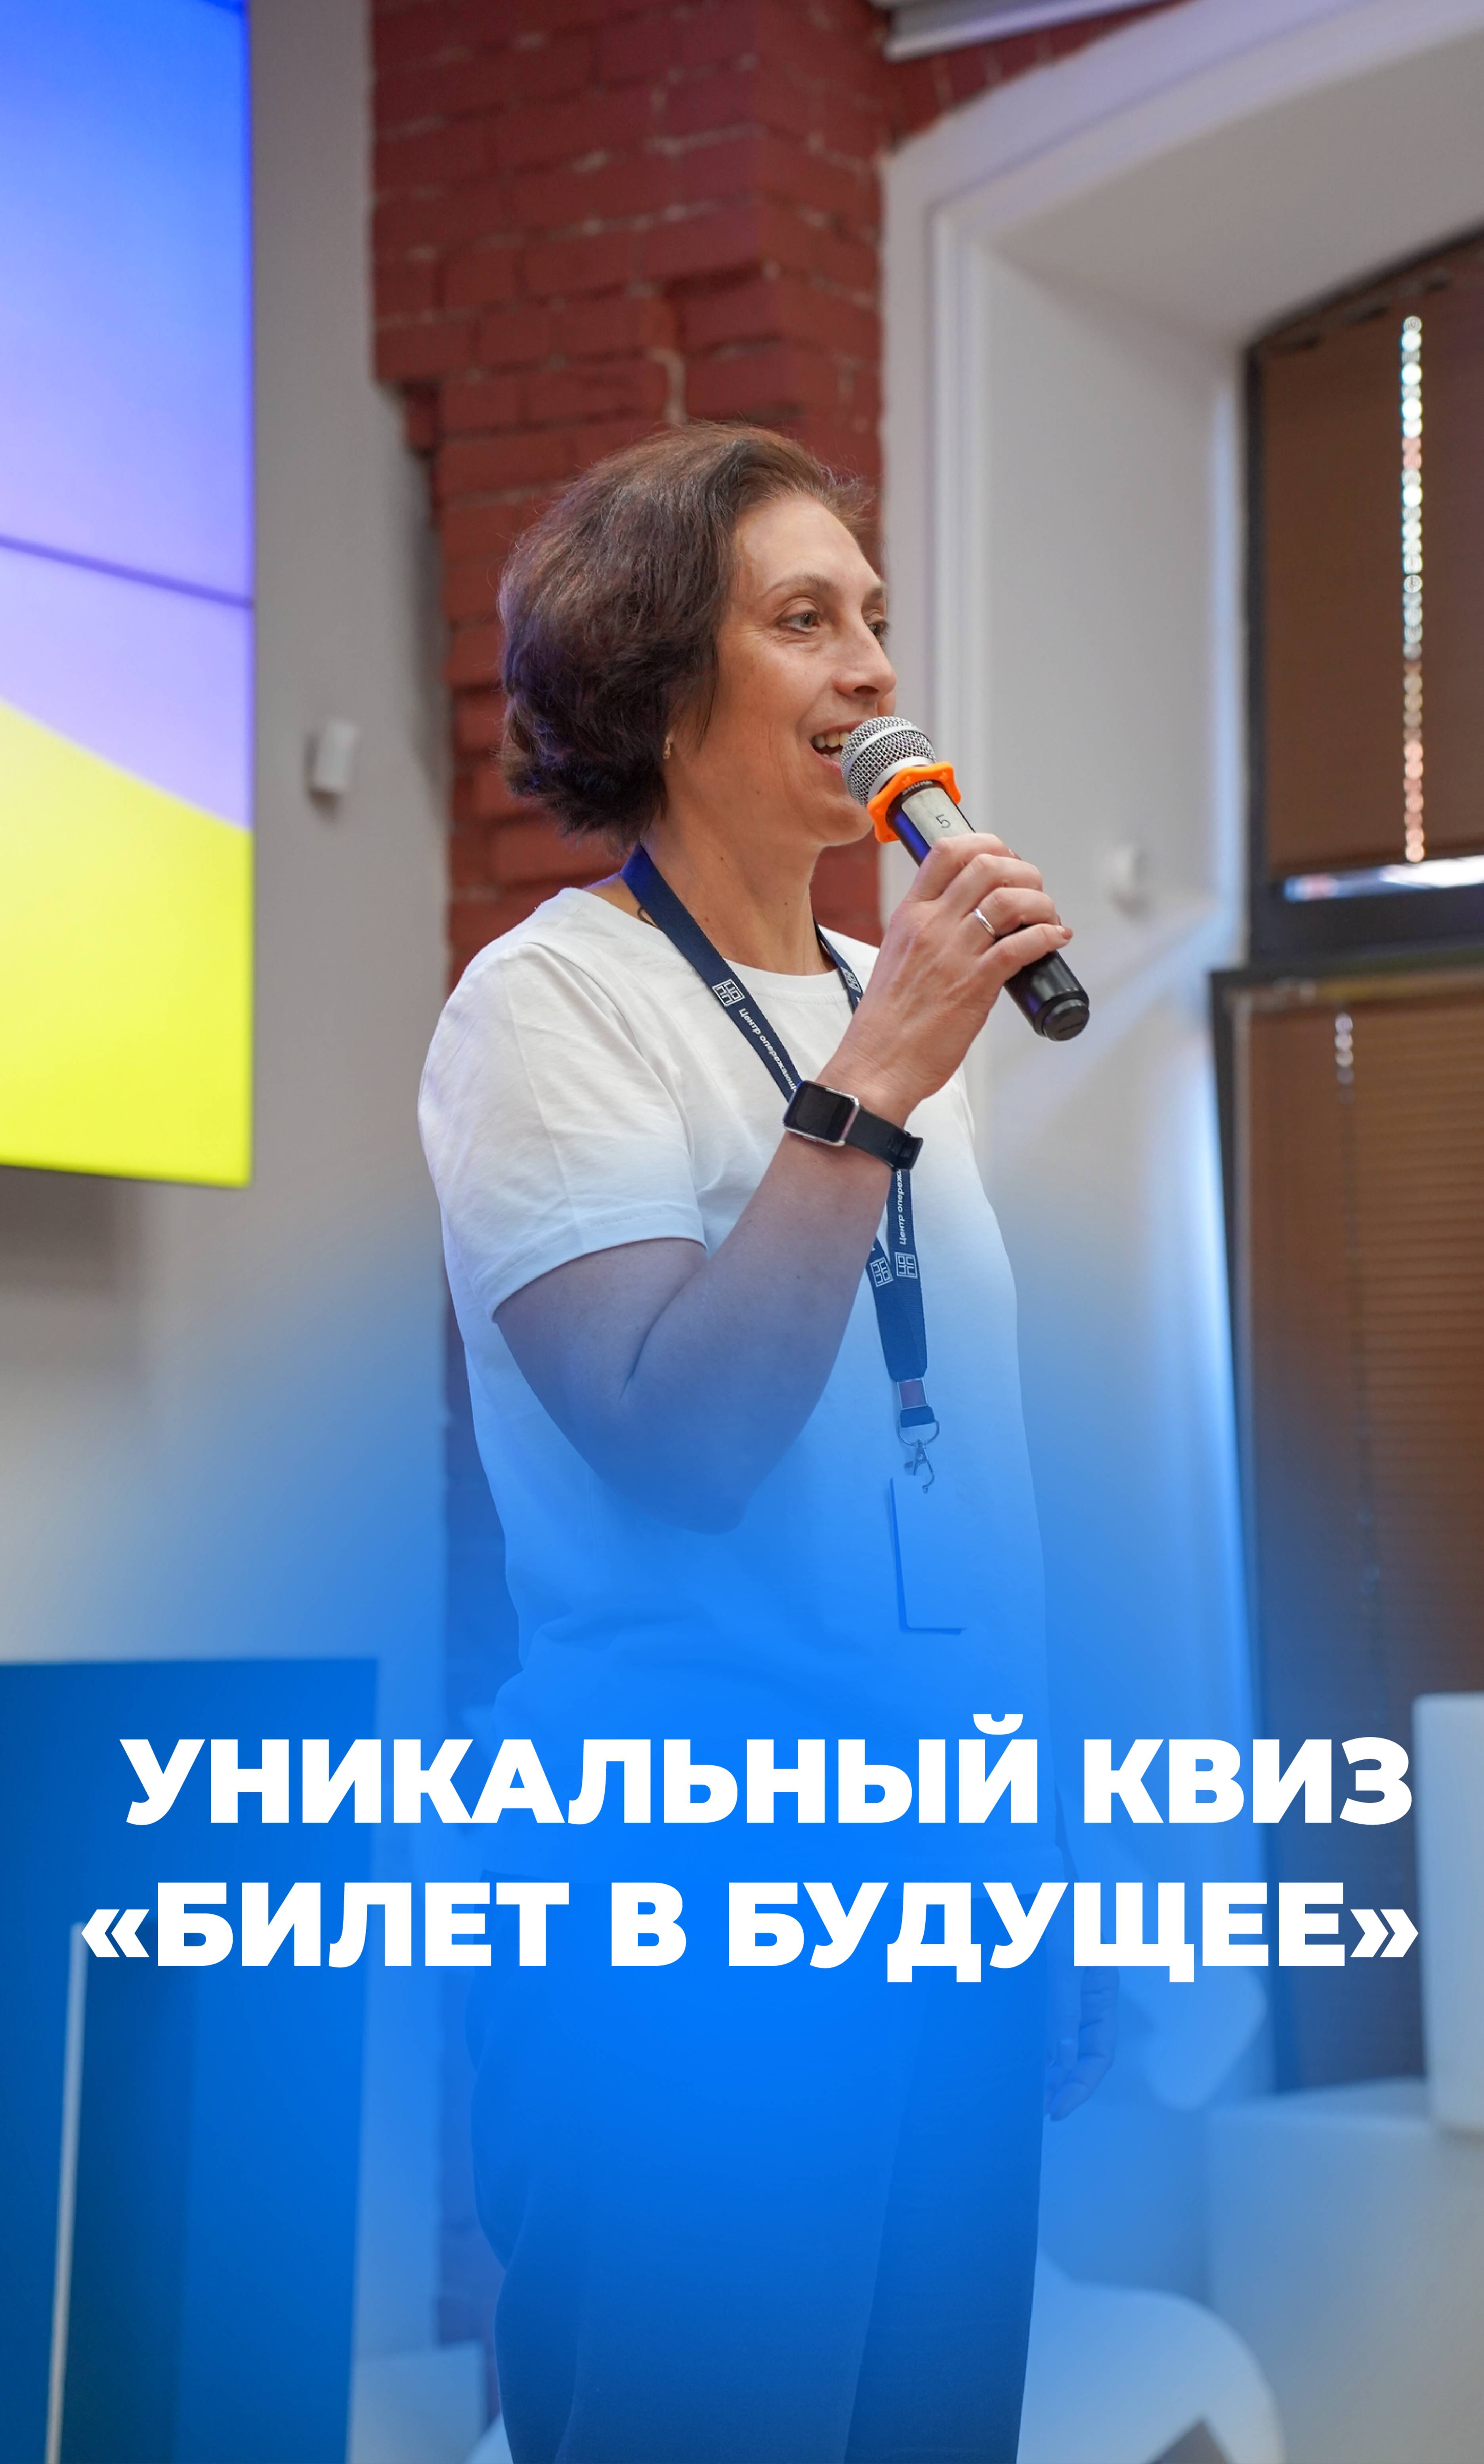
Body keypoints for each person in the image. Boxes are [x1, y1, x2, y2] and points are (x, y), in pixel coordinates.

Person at [419, 423, 1114, 2464]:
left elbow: (951, 1483)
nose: (871, 670)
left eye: (872, 617)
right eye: (803, 619)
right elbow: (678, 1438)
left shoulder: (878, 1000)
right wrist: (873, 1076)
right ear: (656, 681)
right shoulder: (551, 1005)